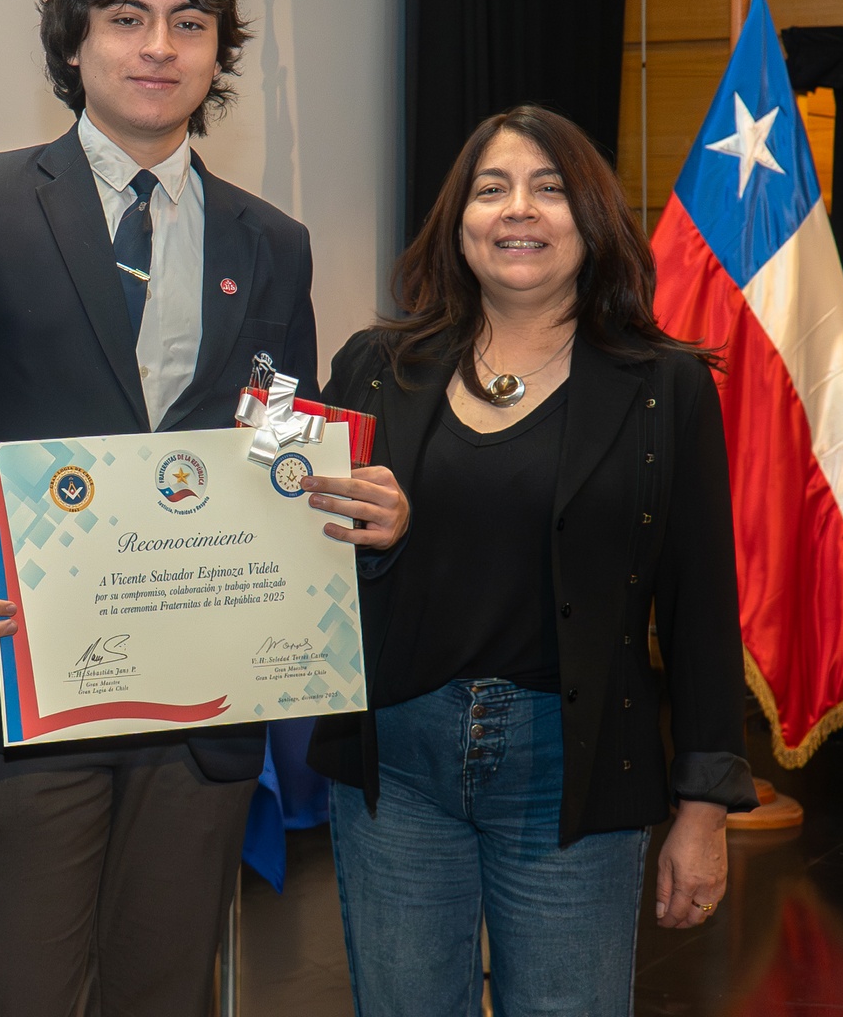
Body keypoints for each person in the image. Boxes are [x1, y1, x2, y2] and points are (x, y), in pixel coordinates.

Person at [0, 0, 410, 1017]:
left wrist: (344, 508)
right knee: (19, 996)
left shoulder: (272, 241)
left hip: (201, 703)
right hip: (27, 687)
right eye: (127, 18)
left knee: (165, 992)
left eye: (190, 22)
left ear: (218, 52)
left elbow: (273, 441)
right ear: (75, 40)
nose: (158, 46)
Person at [304, 105, 761, 1015]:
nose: (519, 209)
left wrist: (704, 809)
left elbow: (703, 607)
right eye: (492, 188)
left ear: (591, 220)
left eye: (549, 189)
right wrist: (364, 538)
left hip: (574, 769)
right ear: (458, 221)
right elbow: (294, 558)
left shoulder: (664, 386)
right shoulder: (373, 366)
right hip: (397, 761)